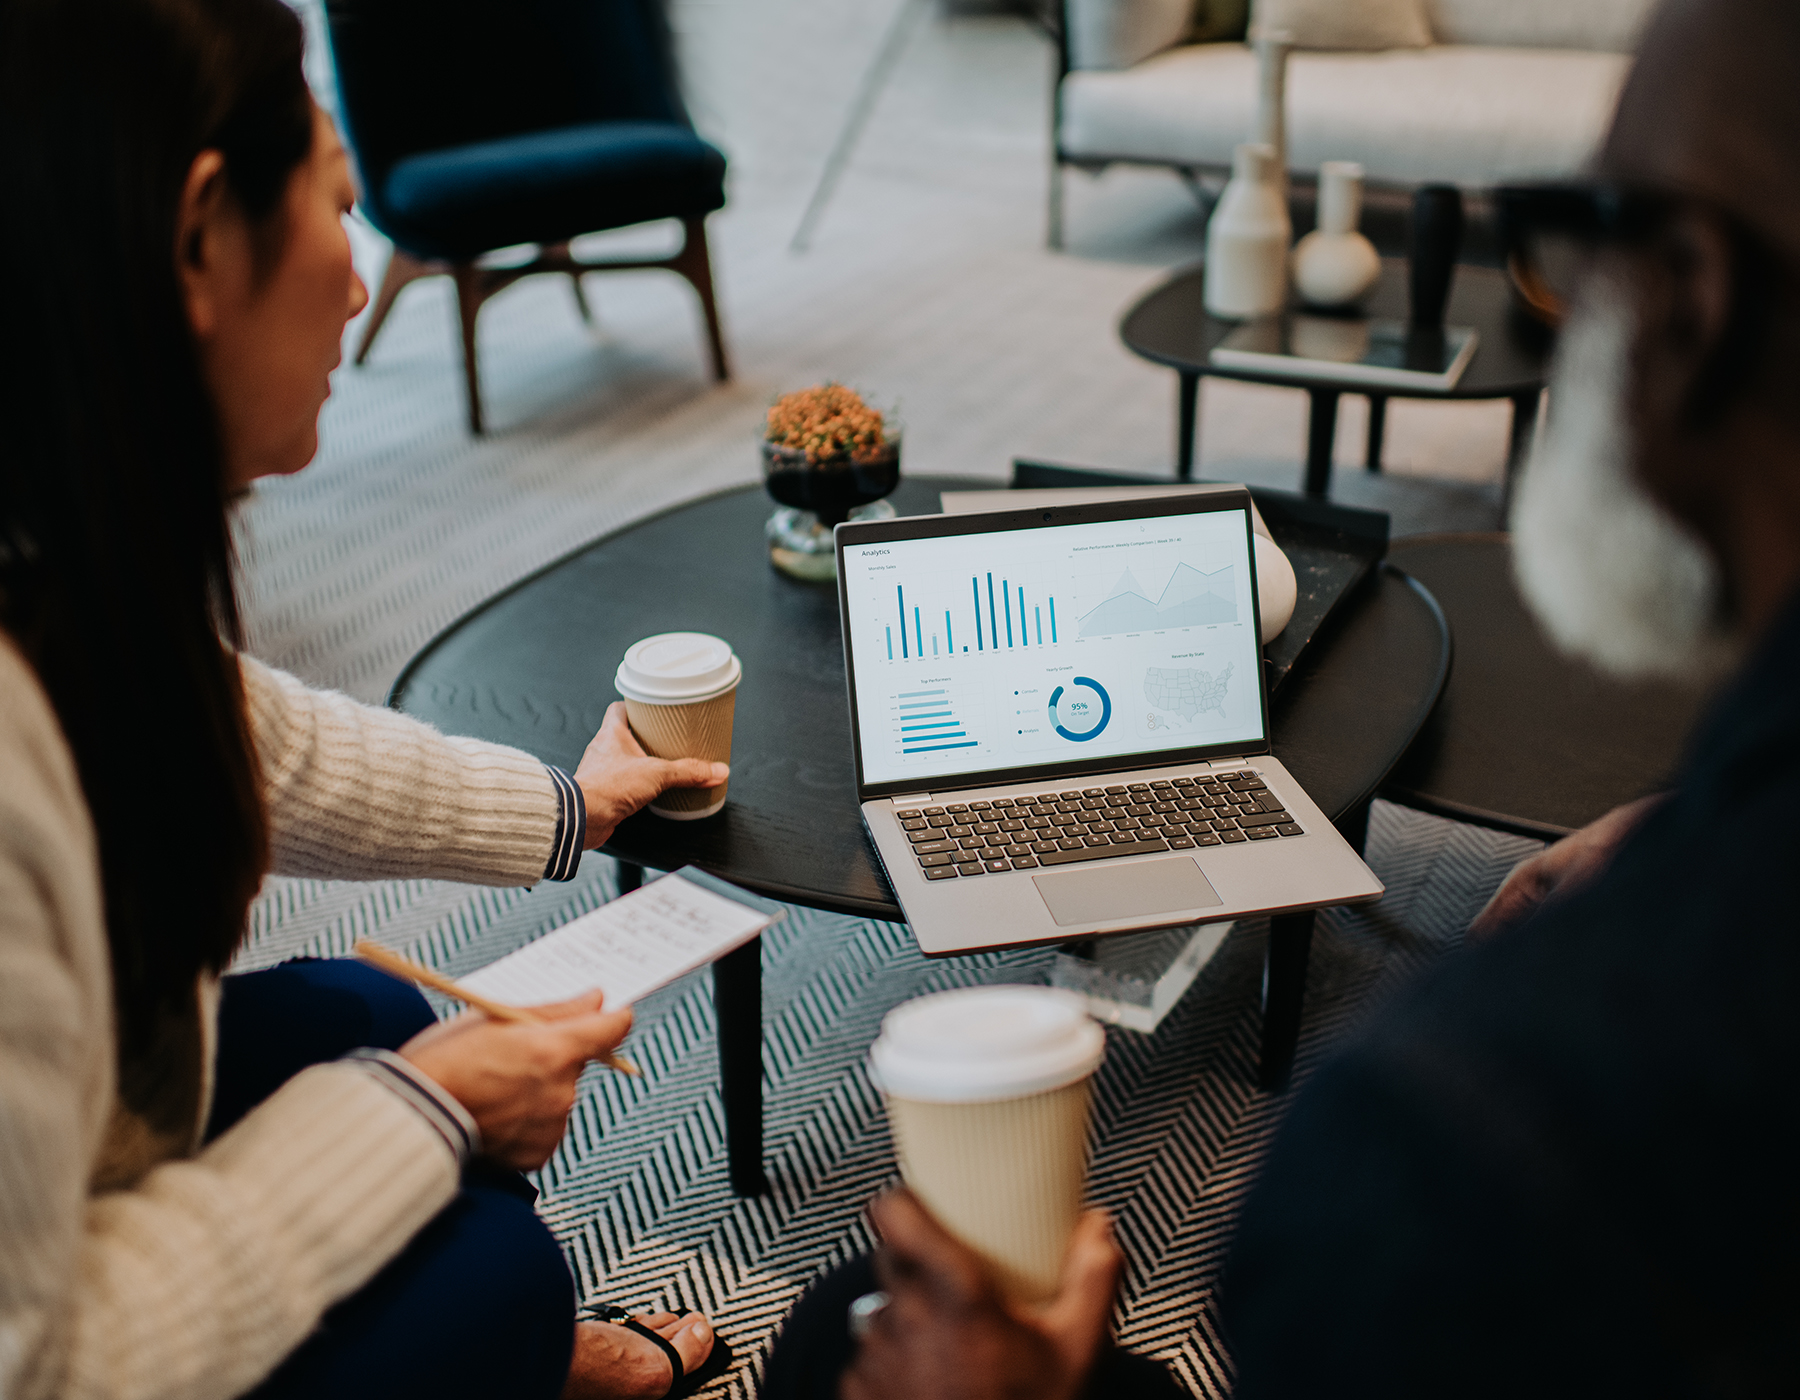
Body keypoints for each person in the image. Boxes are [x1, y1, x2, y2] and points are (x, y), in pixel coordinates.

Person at [763, 0, 1800, 1392]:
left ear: (1694, 295)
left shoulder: (1458, 1150)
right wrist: (1677, 823)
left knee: (835, 1326)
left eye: (1583, 225)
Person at [0, 1, 725, 1397]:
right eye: (341, 205)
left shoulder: (58, 550)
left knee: (363, 1011)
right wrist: (419, 1114)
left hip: (84, 1139)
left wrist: (567, 809)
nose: (357, 274)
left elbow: (251, 741)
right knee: (493, 1254)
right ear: (203, 238)